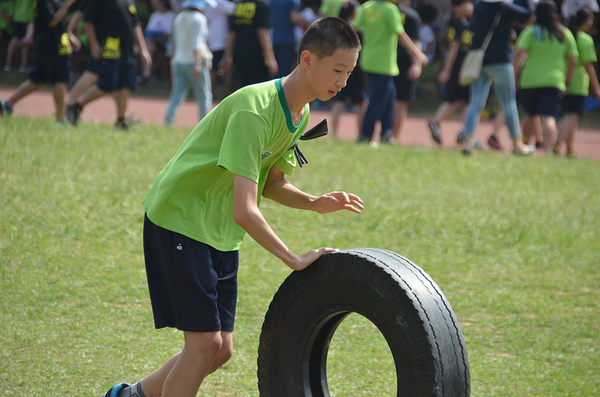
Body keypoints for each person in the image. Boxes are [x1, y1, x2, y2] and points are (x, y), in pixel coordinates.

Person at [99, 16, 363, 397]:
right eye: (338, 69)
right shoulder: (254, 111)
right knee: (204, 345)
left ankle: (128, 396)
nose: (343, 81)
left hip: (219, 230)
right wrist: (292, 257)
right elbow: (246, 209)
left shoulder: (299, 112)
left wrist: (315, 203)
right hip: (181, 219)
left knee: (220, 350)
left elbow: (271, 183)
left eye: (350, 72)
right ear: (307, 60)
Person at [459, 0, 535, 155]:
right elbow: (528, 14)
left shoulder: (479, 6)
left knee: (475, 102)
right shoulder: (503, 7)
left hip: (479, 60)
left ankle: (467, 141)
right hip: (500, 60)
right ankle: (517, 144)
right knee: (508, 103)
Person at [65, 0, 152, 129]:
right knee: (107, 83)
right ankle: (76, 105)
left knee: (125, 84)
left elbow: (136, 26)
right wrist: (94, 44)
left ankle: (121, 120)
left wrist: (143, 49)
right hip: (108, 49)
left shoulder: (128, 3)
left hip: (126, 52)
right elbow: (89, 21)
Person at [353, 0, 428, 145]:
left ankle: (387, 134)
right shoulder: (390, 9)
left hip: (368, 60)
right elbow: (401, 35)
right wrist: (418, 54)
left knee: (389, 96)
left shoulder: (367, 7)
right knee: (377, 99)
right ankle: (365, 135)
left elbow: (354, 27)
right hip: (383, 62)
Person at [513, 0, 578, 153]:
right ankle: (549, 151)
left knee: (530, 114)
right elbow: (573, 59)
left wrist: (514, 75)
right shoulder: (564, 33)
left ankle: (524, 146)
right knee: (548, 117)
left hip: (529, 81)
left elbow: (519, 53)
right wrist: (567, 80)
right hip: (553, 81)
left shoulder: (531, 31)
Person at [0, 0, 76, 120]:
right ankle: (61, 118)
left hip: (53, 44)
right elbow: (51, 21)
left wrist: (68, 35)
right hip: (52, 47)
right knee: (60, 80)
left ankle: (7, 104)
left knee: (38, 79)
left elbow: (59, 21)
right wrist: (67, 4)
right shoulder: (44, 1)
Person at [556, 8, 600, 157]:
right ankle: (557, 144)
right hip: (578, 83)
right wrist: (597, 88)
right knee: (572, 117)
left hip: (564, 81)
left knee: (571, 117)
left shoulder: (567, 36)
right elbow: (589, 66)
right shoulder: (585, 40)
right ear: (586, 21)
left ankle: (570, 149)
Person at [428, 0, 472, 146]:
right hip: (460, 68)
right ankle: (464, 133)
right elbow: (453, 48)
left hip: (457, 68)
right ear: (455, 8)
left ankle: (436, 121)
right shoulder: (459, 24)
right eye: (464, 5)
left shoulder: (453, 22)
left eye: (469, 4)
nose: (468, 7)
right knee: (467, 101)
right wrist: (447, 70)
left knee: (456, 100)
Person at [164, 0, 216, 126]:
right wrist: (198, 64)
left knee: (176, 96)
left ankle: (167, 123)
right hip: (193, 62)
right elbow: (196, 43)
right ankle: (205, 125)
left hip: (178, 61)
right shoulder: (199, 19)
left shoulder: (179, 17)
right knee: (204, 96)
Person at [330, 0, 367, 139]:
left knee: (338, 100)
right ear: (354, 13)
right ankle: (360, 135)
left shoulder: (336, 30)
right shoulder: (357, 30)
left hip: (338, 69)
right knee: (361, 102)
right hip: (355, 70)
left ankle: (333, 135)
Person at [220, 0, 278, 88]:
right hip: (257, 54)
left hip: (240, 54)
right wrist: (270, 59)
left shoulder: (239, 6)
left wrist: (227, 55)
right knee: (260, 88)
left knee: (244, 87)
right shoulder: (261, 6)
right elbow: (262, 32)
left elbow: (232, 32)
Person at [390, 0, 422, 144]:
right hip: (404, 62)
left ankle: (382, 134)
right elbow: (416, 41)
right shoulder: (411, 15)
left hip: (383, 61)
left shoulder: (378, 10)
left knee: (382, 101)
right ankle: (394, 138)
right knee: (401, 103)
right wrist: (417, 63)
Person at [140, 0, 176, 85]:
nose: (155, 6)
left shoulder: (171, 15)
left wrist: (154, 40)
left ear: (163, 3)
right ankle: (145, 75)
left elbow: (167, 35)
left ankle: (146, 76)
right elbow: (148, 31)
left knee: (148, 48)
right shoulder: (154, 15)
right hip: (151, 42)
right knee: (142, 48)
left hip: (164, 43)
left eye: (156, 4)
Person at [270, 0, 302, 77]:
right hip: (287, 40)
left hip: (273, 39)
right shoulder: (291, 1)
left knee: (275, 72)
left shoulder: (271, 1)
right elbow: (294, 18)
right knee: (284, 71)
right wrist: (301, 17)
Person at [3, 0, 33, 72]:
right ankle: (23, 65)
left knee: (15, 38)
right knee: (26, 40)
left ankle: (8, 63)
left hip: (17, 17)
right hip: (28, 18)